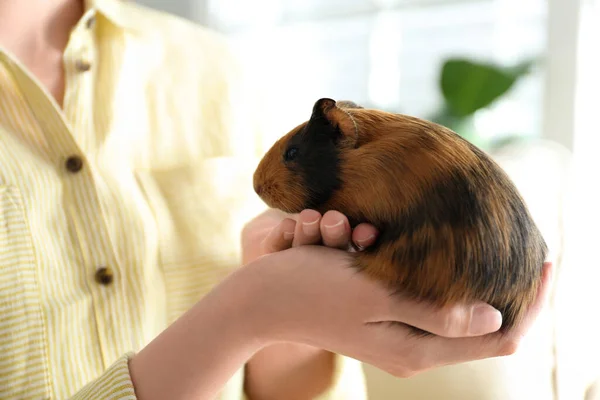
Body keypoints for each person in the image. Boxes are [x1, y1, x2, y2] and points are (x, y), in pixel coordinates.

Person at [0, 0, 553, 399]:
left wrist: (293, 322)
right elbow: (253, 306)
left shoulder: (220, 72)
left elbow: (291, 385)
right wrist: (244, 312)